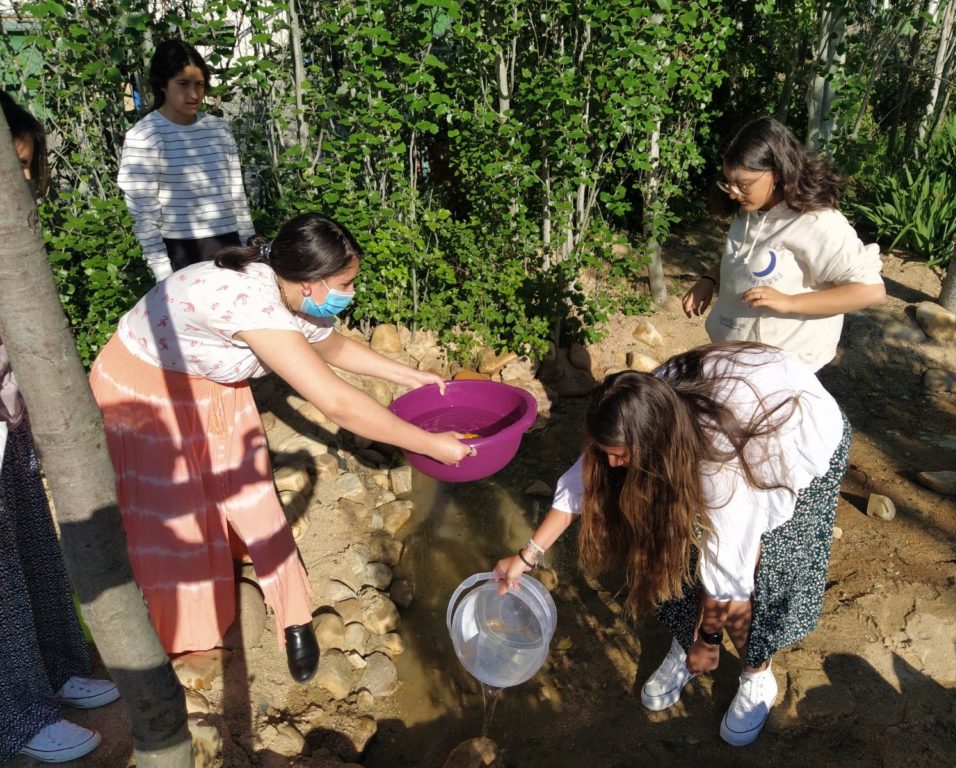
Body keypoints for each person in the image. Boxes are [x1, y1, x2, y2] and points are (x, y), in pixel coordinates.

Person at [89, 212, 473, 683]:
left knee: (253, 496)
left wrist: (411, 376)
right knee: (176, 514)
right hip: (145, 388)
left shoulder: (293, 292)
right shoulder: (256, 304)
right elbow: (338, 403)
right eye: (346, 284)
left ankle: (294, 617)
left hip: (209, 381)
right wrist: (430, 443)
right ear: (311, 283)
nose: (351, 294)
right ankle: (187, 636)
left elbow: (332, 349)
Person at [494, 342, 851, 747]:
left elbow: (727, 574)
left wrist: (710, 642)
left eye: (620, 456)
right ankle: (684, 639)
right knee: (673, 546)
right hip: (738, 409)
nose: (613, 465)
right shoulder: (642, 404)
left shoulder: (721, 475)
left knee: (755, 579)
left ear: (652, 444)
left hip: (795, 437)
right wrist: (527, 556)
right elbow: (583, 481)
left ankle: (756, 673)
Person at [1, 91, 121, 765]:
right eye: (7, 170)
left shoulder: (12, 229)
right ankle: (14, 716)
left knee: (35, 549)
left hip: (8, 418)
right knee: (0, 578)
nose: (21, 183)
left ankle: (55, 669)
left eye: (26, 167)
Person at [682, 116, 886, 373]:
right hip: (737, 357)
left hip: (780, 369)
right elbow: (750, 257)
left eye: (743, 184)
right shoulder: (751, 207)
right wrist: (709, 279)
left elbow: (870, 290)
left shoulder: (816, 221)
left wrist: (789, 302)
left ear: (776, 173)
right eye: (728, 182)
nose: (733, 192)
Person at [117, 39, 255, 282]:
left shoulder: (219, 130)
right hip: (180, 252)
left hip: (229, 245)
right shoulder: (145, 136)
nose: (193, 94)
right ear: (162, 85)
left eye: (199, 85)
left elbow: (237, 195)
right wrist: (162, 272)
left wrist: (249, 248)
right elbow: (144, 212)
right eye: (183, 84)